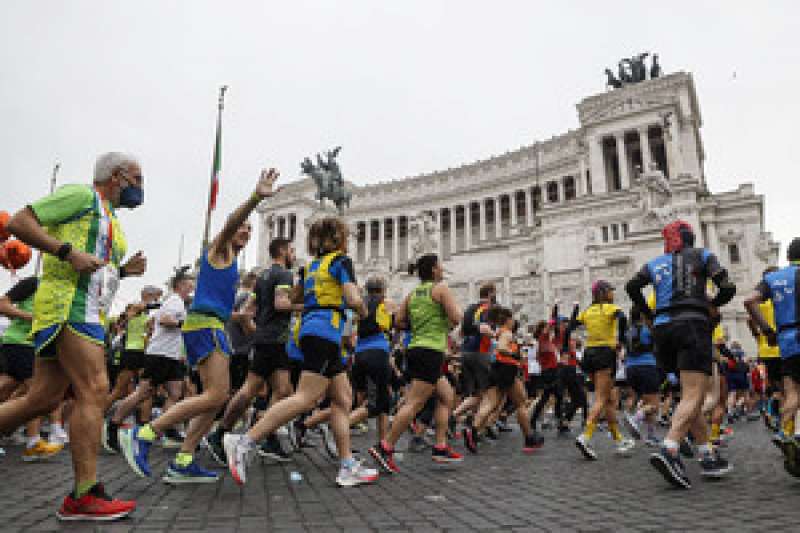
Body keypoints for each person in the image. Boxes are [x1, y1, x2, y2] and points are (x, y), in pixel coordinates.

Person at [0, 152, 146, 520]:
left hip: (86, 309)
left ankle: (84, 495)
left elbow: (95, 268)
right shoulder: (82, 197)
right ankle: (84, 494)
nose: (141, 189)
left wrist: (124, 272)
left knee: (41, 399)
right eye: (137, 179)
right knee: (95, 390)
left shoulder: (110, 217)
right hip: (68, 306)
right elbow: (19, 221)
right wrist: (66, 251)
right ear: (117, 177)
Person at [119, 168, 277, 483]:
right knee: (216, 395)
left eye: (249, 228)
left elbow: (214, 305)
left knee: (216, 397)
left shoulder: (231, 264)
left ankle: (184, 458)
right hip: (204, 328)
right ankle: (145, 432)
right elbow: (231, 221)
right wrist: (256, 197)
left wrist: (243, 319)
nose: (245, 230)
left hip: (211, 325)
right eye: (242, 227)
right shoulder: (219, 250)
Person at [224, 217, 378, 488]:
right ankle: (245, 441)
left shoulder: (311, 267)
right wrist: (363, 312)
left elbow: (293, 299)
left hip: (310, 330)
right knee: (305, 398)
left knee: (343, 398)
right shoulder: (341, 262)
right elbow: (354, 299)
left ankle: (347, 465)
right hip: (326, 332)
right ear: (339, 239)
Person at [626, 220, 735, 488]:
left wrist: (648, 313)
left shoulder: (655, 263)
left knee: (689, 395)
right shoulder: (702, 255)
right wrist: (711, 303)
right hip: (692, 325)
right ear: (690, 237)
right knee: (695, 394)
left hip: (662, 331)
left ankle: (706, 454)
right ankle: (670, 448)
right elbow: (728, 287)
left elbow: (631, 286)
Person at [207, 237, 300, 464]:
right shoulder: (284, 275)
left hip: (266, 339)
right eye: (292, 250)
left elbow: (248, 310)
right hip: (275, 340)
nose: (294, 255)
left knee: (282, 389)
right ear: (283, 251)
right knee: (252, 390)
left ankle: (266, 434)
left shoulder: (262, 277)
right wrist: (308, 306)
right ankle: (222, 433)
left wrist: (255, 331)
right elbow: (281, 304)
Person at [369, 253, 464, 473]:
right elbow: (457, 317)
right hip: (430, 350)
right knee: (415, 403)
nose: (442, 269)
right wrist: (443, 324)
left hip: (417, 349)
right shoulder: (440, 289)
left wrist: (419, 326)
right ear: (433, 270)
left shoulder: (412, 294)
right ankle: (386, 446)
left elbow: (399, 321)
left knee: (446, 396)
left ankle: (440, 446)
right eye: (440, 266)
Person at [103, 269, 193, 461]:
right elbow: (164, 319)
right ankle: (113, 425)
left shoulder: (177, 302)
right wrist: (185, 324)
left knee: (176, 393)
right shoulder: (174, 300)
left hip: (171, 355)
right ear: (179, 286)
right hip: (159, 354)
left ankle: (166, 429)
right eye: (188, 285)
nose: (190, 289)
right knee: (142, 393)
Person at [744, 237, 800, 476]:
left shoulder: (773, 278)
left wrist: (766, 330)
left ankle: (785, 431)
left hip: (786, 341)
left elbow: (749, 301)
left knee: (792, 390)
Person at [566, 282, 634, 460]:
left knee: (610, 399)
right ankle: (585, 436)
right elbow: (624, 318)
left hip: (589, 355)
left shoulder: (587, 311)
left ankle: (619, 440)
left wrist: (575, 311)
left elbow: (571, 326)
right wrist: (621, 340)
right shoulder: (610, 308)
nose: (613, 293)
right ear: (603, 293)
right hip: (605, 352)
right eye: (610, 290)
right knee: (602, 398)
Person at [0, 276, 66, 460]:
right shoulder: (33, 283)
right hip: (20, 343)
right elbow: (2, 305)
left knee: (6, 389)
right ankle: (34, 442)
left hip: (31, 346)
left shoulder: (64, 290)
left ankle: (30, 437)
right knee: (38, 394)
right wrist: (32, 318)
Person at [465, 306, 542, 453]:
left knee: (490, 403)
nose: (514, 322)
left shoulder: (499, 332)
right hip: (507, 369)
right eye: (512, 319)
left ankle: (472, 431)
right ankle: (529, 438)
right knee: (521, 403)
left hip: (496, 369)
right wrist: (515, 356)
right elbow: (501, 348)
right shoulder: (506, 333)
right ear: (508, 320)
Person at [349, 276, 394, 442]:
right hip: (377, 351)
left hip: (359, 353)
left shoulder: (361, 303)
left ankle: (383, 443)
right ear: (383, 289)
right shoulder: (385, 302)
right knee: (377, 403)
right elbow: (393, 323)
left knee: (384, 401)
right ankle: (343, 424)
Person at [107, 286, 162, 410]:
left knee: (147, 390)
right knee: (119, 391)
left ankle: (142, 424)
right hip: (132, 351)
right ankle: (98, 415)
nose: (157, 299)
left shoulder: (147, 312)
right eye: (156, 296)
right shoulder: (136, 306)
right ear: (148, 295)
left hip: (144, 352)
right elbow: (122, 321)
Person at [453, 284, 496, 427]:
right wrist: (496, 334)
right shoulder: (486, 308)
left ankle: (454, 418)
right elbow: (484, 328)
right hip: (480, 352)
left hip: (466, 351)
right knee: (488, 393)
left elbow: (462, 331)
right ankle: (478, 428)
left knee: (476, 394)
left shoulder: (471, 308)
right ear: (490, 294)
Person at [746, 266, 782, 430]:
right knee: (787, 389)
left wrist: (758, 334)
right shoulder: (778, 298)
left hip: (765, 350)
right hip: (782, 348)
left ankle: (770, 411)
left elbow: (749, 320)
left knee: (774, 386)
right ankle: (779, 418)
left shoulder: (759, 301)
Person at [623, 305, 661, 447]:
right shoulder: (648, 330)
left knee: (646, 403)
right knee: (654, 405)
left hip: (630, 368)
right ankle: (635, 419)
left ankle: (651, 436)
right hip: (647, 366)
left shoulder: (627, 331)